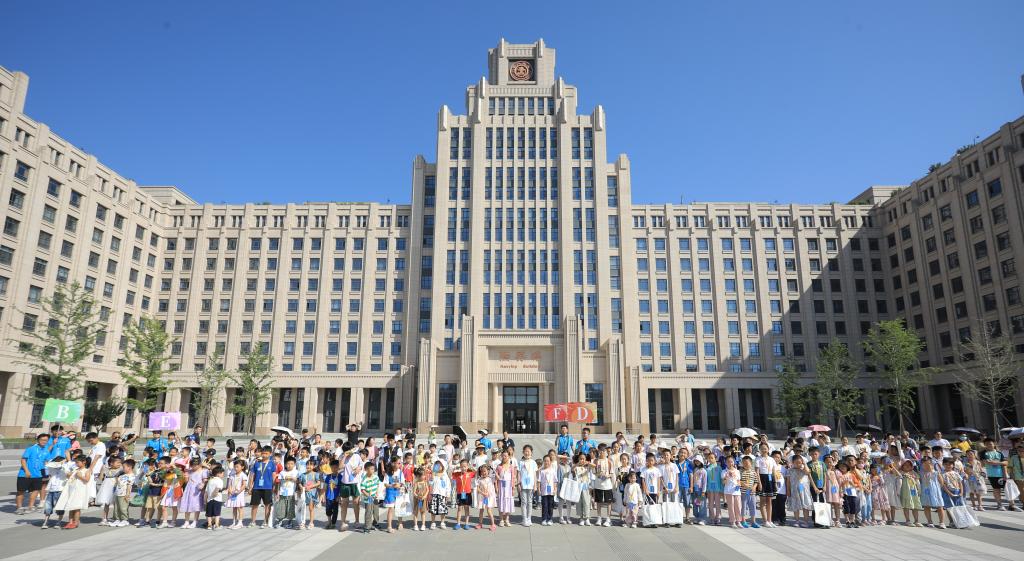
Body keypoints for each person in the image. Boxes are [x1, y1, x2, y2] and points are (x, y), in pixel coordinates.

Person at [16, 433, 51, 514]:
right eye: (42, 440)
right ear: (38, 440)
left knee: (35, 490)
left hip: (38, 474)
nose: (44, 441)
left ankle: (30, 506)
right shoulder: (31, 449)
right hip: (25, 474)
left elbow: (47, 461)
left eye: (46, 440)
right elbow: (23, 460)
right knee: (21, 491)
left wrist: (48, 472)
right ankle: (19, 507)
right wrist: (26, 471)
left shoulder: (46, 450)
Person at [55, 455, 92, 529]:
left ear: (84, 462)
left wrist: (81, 476)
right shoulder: (75, 469)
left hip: (79, 491)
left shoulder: (87, 470)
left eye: (78, 462)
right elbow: (70, 476)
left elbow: (87, 480)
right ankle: (70, 522)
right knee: (71, 507)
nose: (76, 464)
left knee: (76, 507)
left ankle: (76, 522)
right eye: (75, 462)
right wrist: (67, 472)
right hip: (72, 490)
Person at [248, 445, 277, 528]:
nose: (264, 455)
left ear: (270, 454)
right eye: (263, 453)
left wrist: (274, 486)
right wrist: (250, 487)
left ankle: (265, 521)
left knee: (267, 504)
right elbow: (252, 475)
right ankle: (253, 521)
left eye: (266, 453)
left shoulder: (272, 464)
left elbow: (274, 476)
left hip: (268, 487)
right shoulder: (257, 463)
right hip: (256, 487)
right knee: (254, 504)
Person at [338, 443, 363, 531]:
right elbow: (340, 467)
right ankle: (343, 522)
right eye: (348, 451)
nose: (351, 452)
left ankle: (357, 521)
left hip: (355, 482)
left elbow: (361, 465)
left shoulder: (357, 456)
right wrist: (345, 456)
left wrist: (358, 469)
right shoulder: (342, 457)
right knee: (344, 503)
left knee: (356, 502)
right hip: (345, 482)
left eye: (351, 450)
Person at [40, 455, 70, 529]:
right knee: (48, 507)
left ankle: (59, 522)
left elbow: (69, 475)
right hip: (51, 490)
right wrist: (55, 462)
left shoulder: (66, 468)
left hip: (60, 490)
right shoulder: (52, 469)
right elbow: (47, 464)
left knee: (60, 508)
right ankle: (46, 522)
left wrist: (63, 465)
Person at [179, 457, 208, 528]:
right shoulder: (190, 471)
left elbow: (205, 480)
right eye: (192, 465)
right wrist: (186, 477)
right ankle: (186, 521)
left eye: (195, 465)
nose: (194, 467)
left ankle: (195, 521)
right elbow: (186, 481)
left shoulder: (203, 471)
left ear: (199, 464)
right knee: (187, 504)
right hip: (189, 489)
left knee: (196, 505)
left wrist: (203, 484)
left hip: (197, 490)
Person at [981, 437, 1009, 510]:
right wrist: (1000, 463)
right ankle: (999, 504)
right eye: (987, 444)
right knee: (996, 489)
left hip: (1001, 474)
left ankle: (1010, 504)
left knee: (1003, 490)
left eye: (990, 444)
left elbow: (1005, 462)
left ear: (994, 444)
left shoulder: (999, 453)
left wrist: (996, 462)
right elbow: (986, 462)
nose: (989, 445)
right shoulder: (984, 453)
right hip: (992, 474)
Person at [275, 456, 300, 529]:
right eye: (288, 463)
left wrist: (294, 479)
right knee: (281, 507)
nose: (289, 465)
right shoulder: (282, 472)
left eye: (292, 464)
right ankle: (280, 521)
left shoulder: (296, 472)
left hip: (291, 493)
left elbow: (299, 482)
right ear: (285, 464)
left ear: (294, 464)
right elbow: (278, 483)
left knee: (290, 508)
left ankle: (290, 522)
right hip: (282, 493)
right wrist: (277, 493)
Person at [299, 458, 321, 530]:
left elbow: (318, 483)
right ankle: (302, 522)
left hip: (312, 493)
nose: (309, 466)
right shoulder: (302, 475)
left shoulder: (316, 474)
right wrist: (302, 487)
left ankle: (311, 522)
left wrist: (311, 486)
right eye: (307, 464)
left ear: (314, 466)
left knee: (311, 508)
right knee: (303, 508)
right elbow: (299, 483)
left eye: (311, 465)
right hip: (304, 494)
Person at [738, 455, 760, 528]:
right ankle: (743, 520)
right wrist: (745, 485)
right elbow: (739, 481)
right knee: (743, 507)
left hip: (752, 493)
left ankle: (753, 521)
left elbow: (756, 482)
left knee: (753, 506)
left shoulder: (753, 472)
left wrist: (754, 487)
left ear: (751, 463)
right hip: (743, 493)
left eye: (747, 463)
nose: (745, 465)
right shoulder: (740, 472)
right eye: (744, 463)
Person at [359, 462, 381, 533]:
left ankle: (375, 523)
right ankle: (367, 527)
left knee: (376, 510)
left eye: (373, 469)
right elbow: (362, 490)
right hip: (368, 498)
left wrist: (377, 492)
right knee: (369, 511)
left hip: (375, 497)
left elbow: (377, 484)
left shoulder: (375, 477)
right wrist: (368, 495)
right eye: (371, 469)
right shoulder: (364, 479)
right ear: (366, 470)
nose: (373, 470)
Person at [538, 455, 558, 525]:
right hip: (544, 491)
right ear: (543, 462)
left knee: (550, 505)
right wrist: (539, 489)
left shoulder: (553, 470)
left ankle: (550, 519)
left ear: (550, 462)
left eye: (548, 461)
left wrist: (555, 489)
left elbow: (555, 481)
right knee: (544, 505)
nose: (547, 462)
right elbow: (539, 481)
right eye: (545, 461)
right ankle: (544, 519)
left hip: (551, 491)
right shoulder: (542, 471)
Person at [204, 466, 225, 531]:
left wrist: (205, 501)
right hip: (217, 499)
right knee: (217, 513)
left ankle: (209, 525)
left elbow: (206, 492)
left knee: (209, 514)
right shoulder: (220, 481)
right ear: (218, 473)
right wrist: (214, 494)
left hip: (209, 500)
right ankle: (216, 525)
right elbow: (217, 489)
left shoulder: (210, 480)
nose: (223, 475)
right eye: (222, 473)